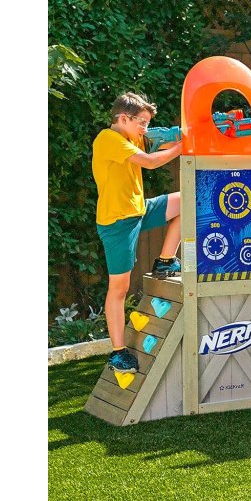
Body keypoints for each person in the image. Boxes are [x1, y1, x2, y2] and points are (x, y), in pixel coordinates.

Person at [92, 93, 183, 374]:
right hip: (117, 224)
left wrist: (187, 134)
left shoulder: (133, 137)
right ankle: (118, 353)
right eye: (141, 122)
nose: (145, 128)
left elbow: (165, 139)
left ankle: (165, 261)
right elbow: (150, 161)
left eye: (147, 123)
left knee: (189, 201)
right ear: (123, 118)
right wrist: (182, 146)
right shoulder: (108, 139)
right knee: (119, 289)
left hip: (138, 210)